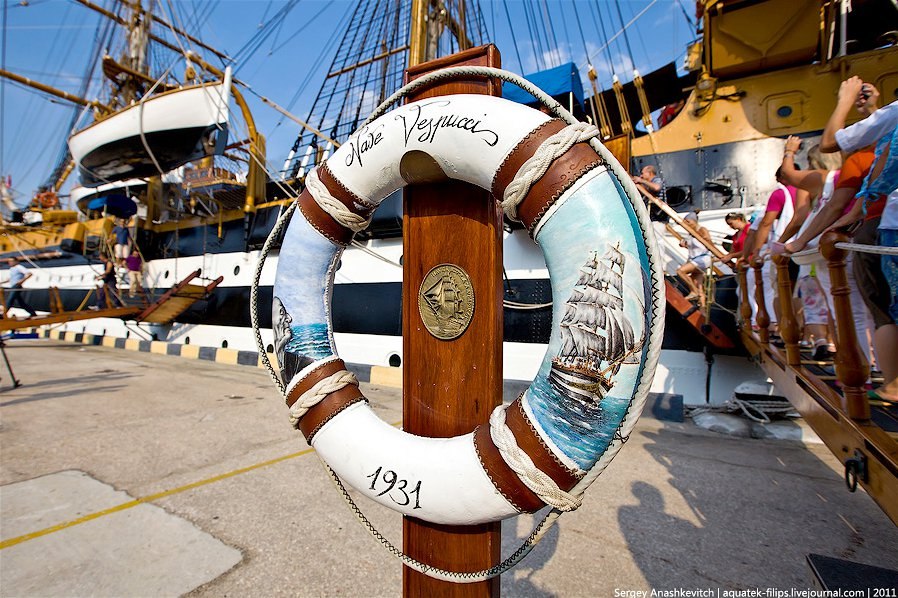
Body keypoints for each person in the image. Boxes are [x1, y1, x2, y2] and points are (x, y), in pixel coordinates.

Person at [820, 75, 898, 404]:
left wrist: (846, 99)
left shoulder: (893, 117)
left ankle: (893, 384)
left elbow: (831, 142)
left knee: (885, 310)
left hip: (888, 224)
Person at [676, 212, 713, 306]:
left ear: (694, 221)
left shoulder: (701, 229)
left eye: (688, 222)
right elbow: (694, 247)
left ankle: (694, 291)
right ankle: (703, 310)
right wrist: (684, 244)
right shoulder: (690, 234)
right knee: (699, 286)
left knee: (680, 271)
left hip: (703, 259)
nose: (687, 224)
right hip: (695, 259)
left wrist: (703, 236)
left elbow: (708, 240)